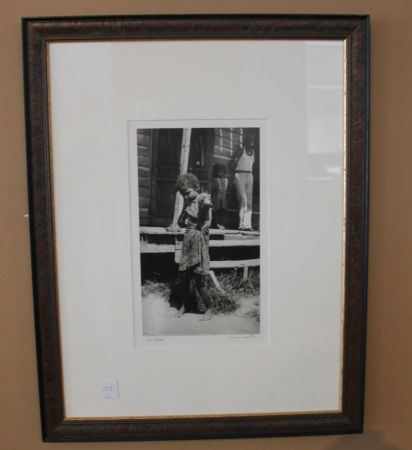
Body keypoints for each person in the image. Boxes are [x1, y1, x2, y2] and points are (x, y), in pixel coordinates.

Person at [171, 173, 213, 320]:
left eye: (187, 193)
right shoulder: (188, 203)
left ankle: (210, 308)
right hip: (188, 240)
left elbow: (207, 203)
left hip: (199, 240)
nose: (186, 196)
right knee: (185, 277)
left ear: (197, 187)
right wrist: (184, 210)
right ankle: (184, 305)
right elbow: (181, 222)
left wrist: (202, 219)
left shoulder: (202, 198)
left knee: (198, 277)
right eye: (183, 194)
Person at [234, 133, 256, 231]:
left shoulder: (253, 152)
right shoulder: (241, 151)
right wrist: (235, 174)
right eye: (249, 139)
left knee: (249, 202)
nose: (251, 141)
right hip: (240, 175)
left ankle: (248, 225)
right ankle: (241, 224)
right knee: (243, 200)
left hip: (250, 176)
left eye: (253, 139)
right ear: (246, 140)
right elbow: (233, 162)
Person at [211, 163, 228, 229]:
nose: (220, 173)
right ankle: (216, 223)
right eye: (218, 171)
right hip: (216, 198)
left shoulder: (225, 180)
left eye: (221, 172)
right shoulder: (215, 180)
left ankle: (221, 223)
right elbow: (213, 189)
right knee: (216, 211)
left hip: (222, 198)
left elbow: (225, 189)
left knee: (221, 211)